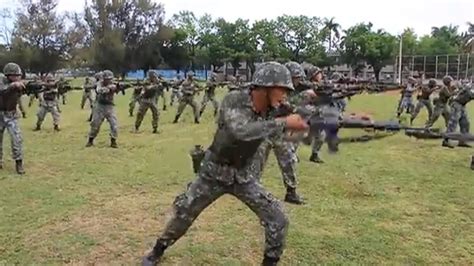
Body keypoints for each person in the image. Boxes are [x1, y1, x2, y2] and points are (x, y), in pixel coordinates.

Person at [142, 62, 308, 266]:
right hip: (213, 173)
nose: (286, 94)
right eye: (282, 88)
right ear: (265, 87)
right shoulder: (234, 99)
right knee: (184, 213)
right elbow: (240, 131)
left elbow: (298, 116)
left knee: (278, 218)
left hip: (243, 177)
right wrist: (283, 123)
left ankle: (270, 262)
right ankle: (158, 249)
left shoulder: (275, 109)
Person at [0, 62, 26, 174]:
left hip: (11, 115)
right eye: (16, 75)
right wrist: (13, 86)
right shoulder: (2, 81)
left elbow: (25, 90)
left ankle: (19, 163)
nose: (18, 77)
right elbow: (3, 90)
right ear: (8, 75)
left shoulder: (17, 84)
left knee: (17, 139)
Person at [86, 70, 119, 148]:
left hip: (109, 106)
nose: (109, 80)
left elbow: (117, 89)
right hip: (99, 106)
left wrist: (118, 88)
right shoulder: (99, 84)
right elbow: (99, 90)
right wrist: (108, 89)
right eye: (107, 79)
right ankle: (90, 140)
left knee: (114, 125)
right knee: (95, 124)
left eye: (110, 79)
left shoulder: (113, 84)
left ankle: (113, 141)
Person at [442, 82, 473, 148]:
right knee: (453, 123)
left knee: (465, 123)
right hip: (456, 104)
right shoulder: (469, 86)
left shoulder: (470, 86)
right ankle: (446, 141)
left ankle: (462, 141)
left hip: (462, 105)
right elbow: (470, 94)